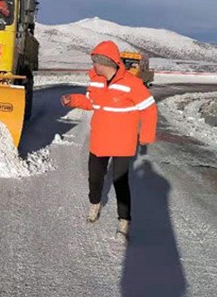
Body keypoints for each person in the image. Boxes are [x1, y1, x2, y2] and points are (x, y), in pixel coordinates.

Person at [61, 40, 157, 241]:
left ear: (105, 62)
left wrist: (146, 136)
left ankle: (124, 220)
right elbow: (91, 102)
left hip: (123, 143)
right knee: (95, 178)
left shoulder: (132, 84)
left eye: (95, 61)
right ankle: (95, 204)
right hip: (100, 139)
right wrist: (73, 100)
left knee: (120, 182)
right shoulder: (96, 81)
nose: (93, 65)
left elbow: (149, 108)